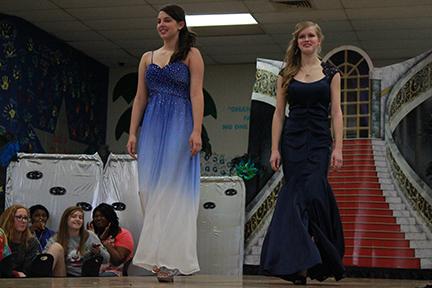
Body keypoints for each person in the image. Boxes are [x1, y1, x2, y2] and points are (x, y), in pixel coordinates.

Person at [260, 21, 345, 285]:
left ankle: (314, 256)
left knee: (314, 195)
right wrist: (274, 148)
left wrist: (338, 147)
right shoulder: (286, 73)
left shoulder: (332, 73)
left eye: (311, 36)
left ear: (319, 40)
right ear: (297, 42)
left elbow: (337, 111)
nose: (307, 40)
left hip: (319, 142)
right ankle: (298, 263)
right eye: (302, 37)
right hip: (293, 141)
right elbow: (278, 113)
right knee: (295, 196)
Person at [126, 4, 204, 282]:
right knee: (148, 190)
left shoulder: (191, 55)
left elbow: (196, 95)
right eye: (158, 21)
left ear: (180, 24)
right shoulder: (147, 57)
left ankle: (169, 261)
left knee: (171, 192)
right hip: (152, 127)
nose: (161, 25)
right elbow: (139, 97)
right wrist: (133, 132)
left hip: (180, 124)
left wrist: (196, 130)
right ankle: (158, 257)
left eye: (167, 20)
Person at [44, 206, 110, 277]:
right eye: (74, 216)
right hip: (64, 275)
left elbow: (107, 259)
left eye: (80, 218)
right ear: (65, 219)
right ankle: (41, 281)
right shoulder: (57, 237)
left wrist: (99, 252)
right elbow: (45, 259)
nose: (77, 219)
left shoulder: (90, 236)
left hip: (86, 276)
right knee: (56, 247)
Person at [90, 203, 134, 277]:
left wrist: (105, 243)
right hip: (93, 272)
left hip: (114, 274)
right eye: (96, 216)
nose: (98, 219)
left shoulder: (124, 234)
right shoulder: (93, 234)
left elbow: (117, 261)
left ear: (110, 218)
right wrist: (95, 237)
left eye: (102, 216)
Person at [0, 204, 40, 277]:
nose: (23, 221)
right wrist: (13, 273)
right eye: (19, 217)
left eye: (25, 218)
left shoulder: (32, 242)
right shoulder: (2, 238)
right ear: (10, 219)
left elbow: (27, 270)